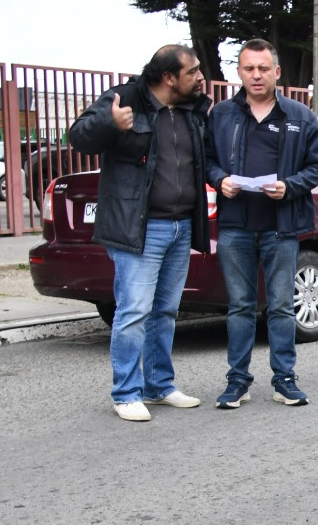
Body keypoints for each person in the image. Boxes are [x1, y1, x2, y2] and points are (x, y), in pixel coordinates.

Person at [68, 45, 211, 422]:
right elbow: (78, 137)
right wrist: (109, 123)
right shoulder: (124, 99)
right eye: (192, 71)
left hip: (181, 226)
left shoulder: (193, 109)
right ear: (169, 77)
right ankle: (126, 393)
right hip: (140, 228)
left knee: (165, 311)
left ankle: (159, 386)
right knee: (134, 312)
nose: (200, 77)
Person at [205, 38, 318, 409]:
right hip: (235, 227)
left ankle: (284, 379)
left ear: (277, 72)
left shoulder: (300, 116)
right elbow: (206, 161)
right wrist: (219, 180)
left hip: (281, 227)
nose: (256, 75)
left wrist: (289, 187)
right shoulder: (221, 115)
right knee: (240, 306)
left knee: (281, 307)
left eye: (263, 68)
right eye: (249, 68)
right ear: (239, 73)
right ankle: (237, 381)